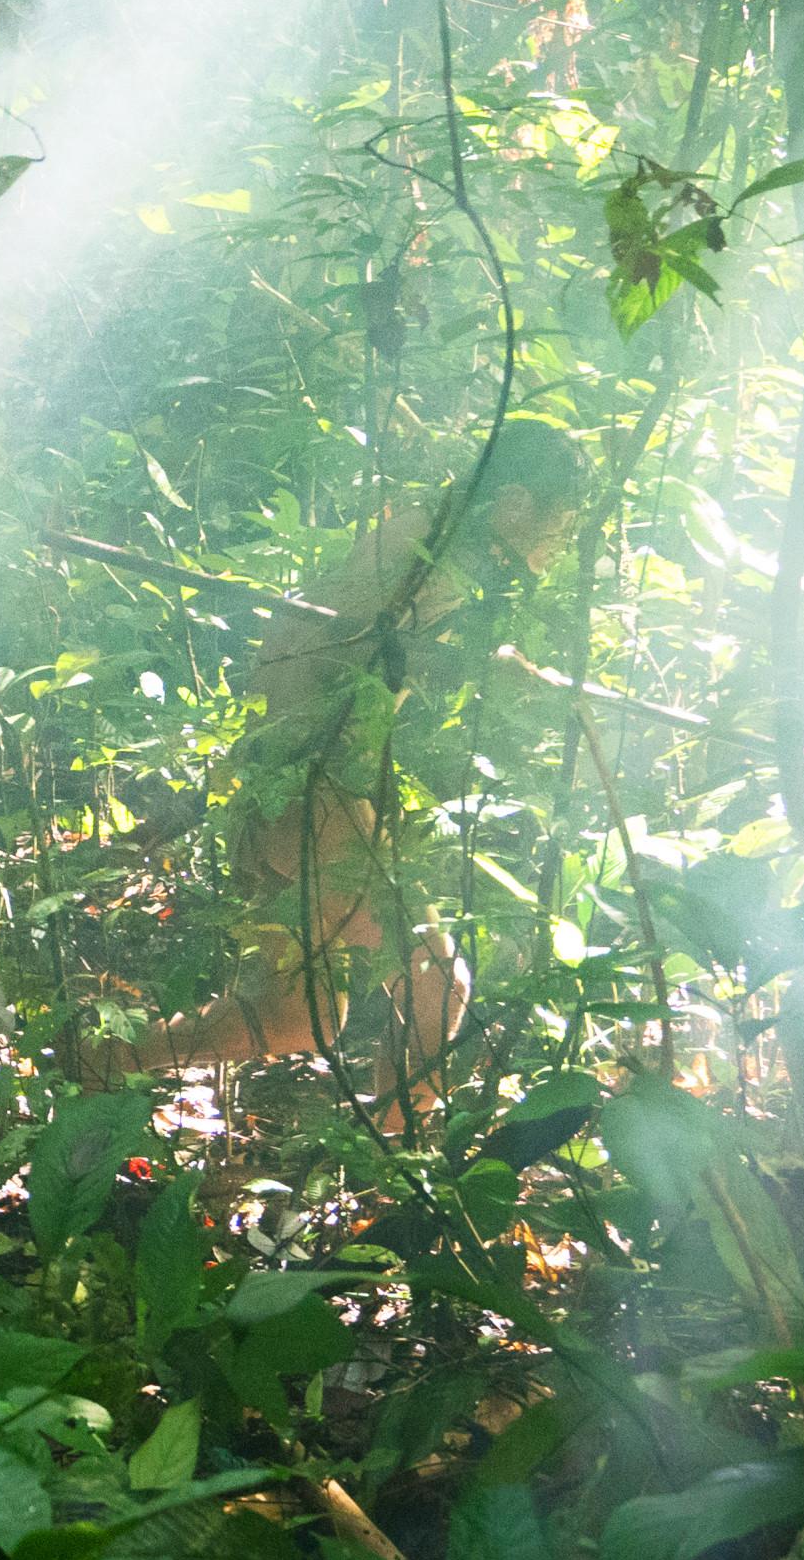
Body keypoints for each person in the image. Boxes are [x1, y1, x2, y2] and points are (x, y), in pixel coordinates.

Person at [86, 420, 585, 1121]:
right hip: (312, 791)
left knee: (297, 1018)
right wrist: (486, 670)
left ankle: (99, 1061)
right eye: (559, 526)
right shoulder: (429, 553)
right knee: (439, 986)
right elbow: (336, 653)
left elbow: (339, 652)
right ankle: (399, 1168)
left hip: (286, 791)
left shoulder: (428, 543)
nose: (557, 549)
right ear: (513, 504)